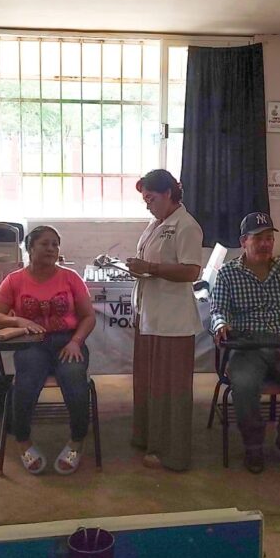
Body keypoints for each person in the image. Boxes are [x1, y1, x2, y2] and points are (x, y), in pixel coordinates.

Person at [210, 212, 280, 473]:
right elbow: (217, 310)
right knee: (244, 385)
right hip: (247, 349)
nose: (265, 244)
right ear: (243, 241)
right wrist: (220, 324)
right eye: (258, 238)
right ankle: (254, 445)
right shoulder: (228, 273)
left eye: (269, 238)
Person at [0, 226, 96, 475]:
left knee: (74, 377)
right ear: (30, 248)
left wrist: (76, 341)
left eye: (55, 244)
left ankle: (77, 441)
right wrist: (19, 321)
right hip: (32, 342)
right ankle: (23, 441)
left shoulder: (70, 278)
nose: (51, 249)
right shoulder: (14, 280)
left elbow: (88, 316)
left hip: (68, 340)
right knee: (26, 381)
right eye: (45, 244)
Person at [127, 169, 203, 472]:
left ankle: (173, 452)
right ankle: (149, 438)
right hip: (151, 314)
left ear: (169, 193)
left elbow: (191, 271)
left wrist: (151, 268)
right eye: (145, 200)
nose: (148, 205)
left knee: (171, 389)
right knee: (150, 383)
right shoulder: (155, 223)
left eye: (152, 198)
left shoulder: (187, 226)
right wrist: (139, 268)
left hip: (173, 321)